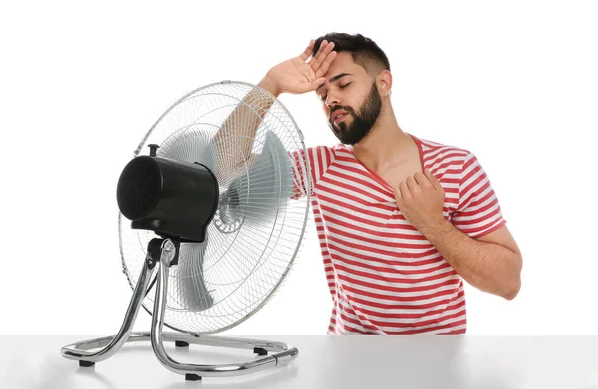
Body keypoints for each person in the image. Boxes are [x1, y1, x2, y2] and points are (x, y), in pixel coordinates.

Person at [215, 32, 523, 335]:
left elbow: (508, 283)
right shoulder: (320, 167)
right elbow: (220, 166)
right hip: (349, 362)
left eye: (344, 84)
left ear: (384, 83)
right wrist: (272, 84)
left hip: (437, 366)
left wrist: (432, 223)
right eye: (322, 95)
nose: (331, 99)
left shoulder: (456, 167)